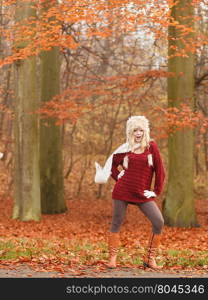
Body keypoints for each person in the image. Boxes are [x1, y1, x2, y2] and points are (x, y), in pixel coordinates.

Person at [95, 116, 165, 270]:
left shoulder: (151, 147)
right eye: (135, 130)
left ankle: (149, 258)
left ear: (145, 131)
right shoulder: (125, 149)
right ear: (130, 132)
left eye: (141, 130)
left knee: (158, 221)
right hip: (122, 191)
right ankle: (112, 259)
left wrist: (155, 192)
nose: (138, 133)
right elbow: (112, 165)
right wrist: (117, 176)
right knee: (117, 222)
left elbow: (160, 171)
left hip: (142, 193)